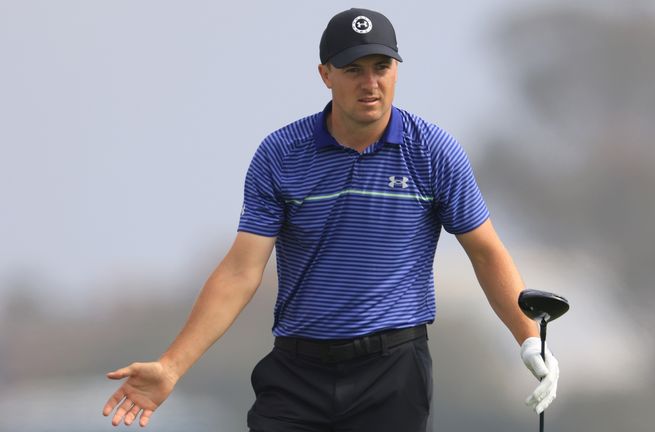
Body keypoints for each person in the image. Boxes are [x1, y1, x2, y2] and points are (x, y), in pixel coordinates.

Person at [102, 8, 560, 431]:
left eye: (381, 68)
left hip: (392, 372)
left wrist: (528, 338)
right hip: (298, 372)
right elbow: (242, 271)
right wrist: (172, 365)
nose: (370, 83)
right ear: (325, 74)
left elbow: (485, 252)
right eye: (353, 70)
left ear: (397, 70)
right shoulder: (280, 155)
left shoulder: (433, 152)